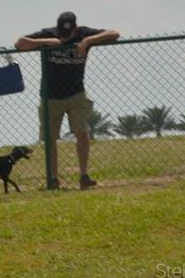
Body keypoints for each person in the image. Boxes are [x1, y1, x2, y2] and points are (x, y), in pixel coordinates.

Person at [15, 10, 120, 189]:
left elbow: (114, 33)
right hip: (50, 96)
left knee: (82, 133)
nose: (64, 37)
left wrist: (87, 41)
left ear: (75, 28)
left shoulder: (83, 33)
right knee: (50, 139)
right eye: (62, 34)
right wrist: (48, 42)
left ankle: (84, 176)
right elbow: (19, 43)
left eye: (68, 34)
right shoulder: (49, 33)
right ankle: (53, 178)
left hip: (76, 94)